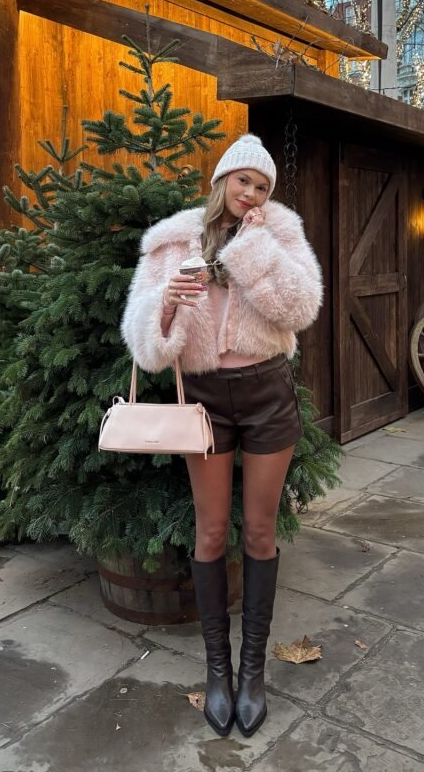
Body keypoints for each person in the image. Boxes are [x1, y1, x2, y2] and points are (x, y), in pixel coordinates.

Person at [121, 134, 323, 737]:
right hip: (203, 399)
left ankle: (253, 673)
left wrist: (254, 249)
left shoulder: (279, 236)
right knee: (210, 530)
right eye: (243, 181)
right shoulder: (173, 240)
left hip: (266, 393)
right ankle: (218, 671)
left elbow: (301, 308)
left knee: (260, 530)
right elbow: (142, 340)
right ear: (221, 181)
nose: (251, 193)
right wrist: (165, 304)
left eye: (261, 187)